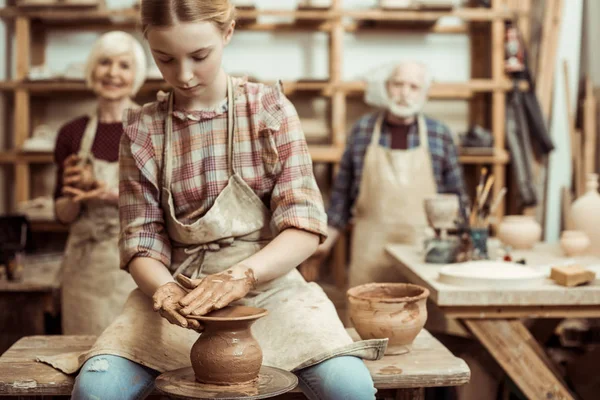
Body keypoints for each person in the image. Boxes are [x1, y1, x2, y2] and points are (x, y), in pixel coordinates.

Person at [38, 2, 386, 399]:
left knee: (350, 386)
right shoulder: (142, 129)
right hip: (180, 294)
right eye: (165, 58)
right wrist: (164, 290)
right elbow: (141, 241)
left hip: (272, 289)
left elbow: (304, 226)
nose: (183, 76)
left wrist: (241, 276)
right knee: (96, 387)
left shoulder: (269, 111)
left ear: (228, 33)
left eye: (199, 56)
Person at [302, 61, 469, 287]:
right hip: (371, 250)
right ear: (386, 87)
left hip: (425, 252)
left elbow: (456, 197)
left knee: (425, 318)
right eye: (397, 84)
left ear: (425, 93)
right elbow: (341, 197)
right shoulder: (362, 131)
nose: (404, 93)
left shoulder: (439, 134)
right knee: (367, 316)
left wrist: (467, 242)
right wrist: (323, 244)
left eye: (413, 87)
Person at [53, 31, 146, 335]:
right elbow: (62, 214)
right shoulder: (72, 133)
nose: (112, 73)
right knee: (83, 355)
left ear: (136, 75)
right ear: (92, 69)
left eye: (123, 65)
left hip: (137, 263)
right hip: (84, 268)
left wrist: (110, 194)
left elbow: (169, 205)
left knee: (135, 353)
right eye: (105, 63)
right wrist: (73, 197)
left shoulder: (149, 127)